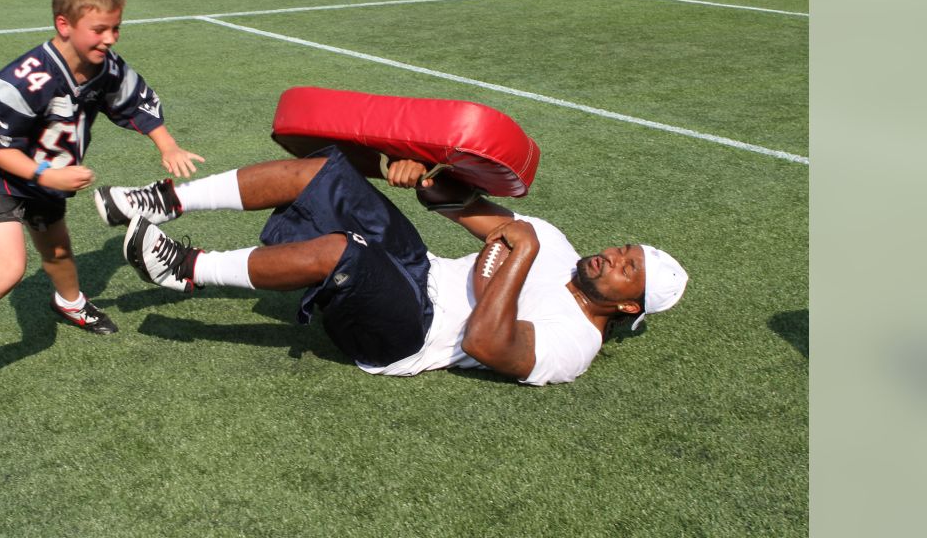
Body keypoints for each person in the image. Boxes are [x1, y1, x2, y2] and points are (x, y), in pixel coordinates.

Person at [96, 148, 688, 385]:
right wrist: (417, 174)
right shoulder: (555, 239)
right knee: (321, 171)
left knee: (339, 253)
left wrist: (522, 252)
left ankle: (187, 268)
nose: (612, 256)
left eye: (625, 269)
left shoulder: (575, 347)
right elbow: (452, 204)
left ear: (627, 305)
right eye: (624, 250)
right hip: (420, 268)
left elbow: (485, 342)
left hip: (411, 333)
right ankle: (163, 200)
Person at [0, 0, 206, 412]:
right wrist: (48, 176)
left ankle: (70, 303)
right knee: (7, 267)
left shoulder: (107, 68)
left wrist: (167, 144)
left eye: (116, 27)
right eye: (99, 29)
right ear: (64, 25)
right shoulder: (27, 77)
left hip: (48, 175)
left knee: (59, 253)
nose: (111, 39)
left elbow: (136, 102)